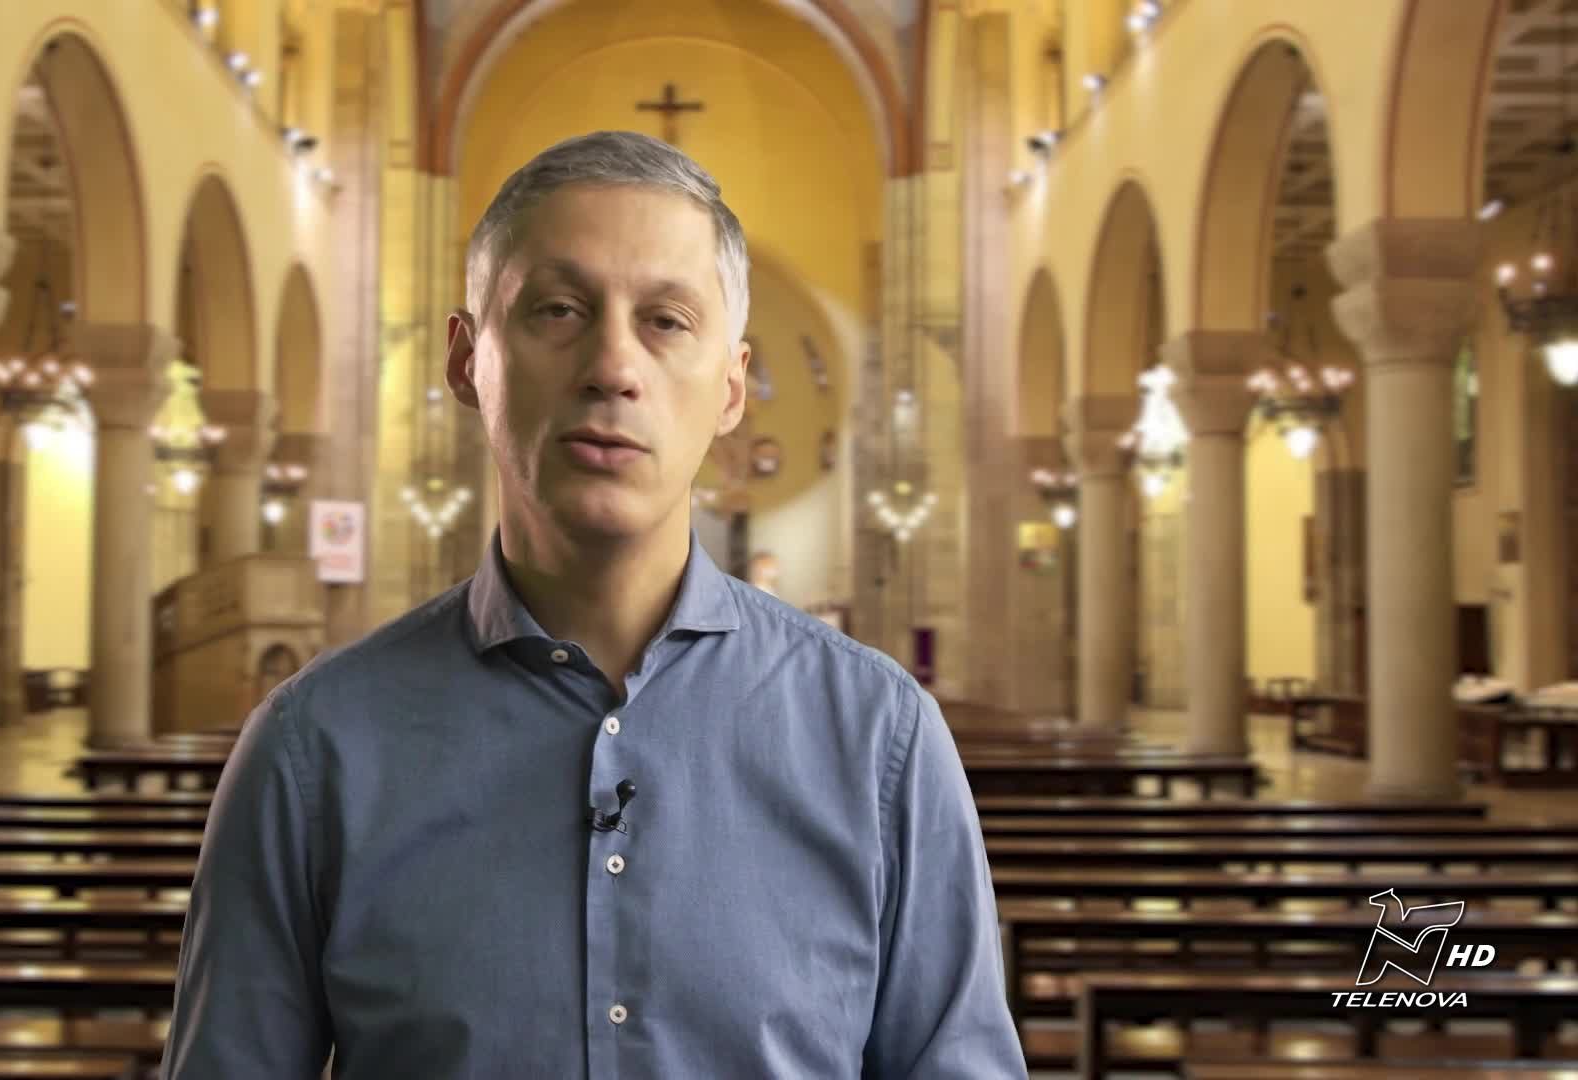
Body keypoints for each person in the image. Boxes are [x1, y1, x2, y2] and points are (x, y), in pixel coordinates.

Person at [160, 130, 1027, 1079]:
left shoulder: (880, 739)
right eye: (559, 310)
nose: (613, 366)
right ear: (467, 360)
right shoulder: (312, 749)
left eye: (667, 321)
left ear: (732, 387)